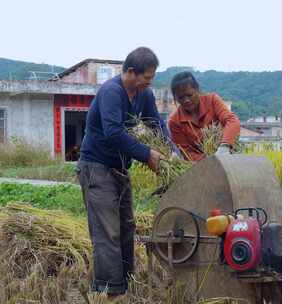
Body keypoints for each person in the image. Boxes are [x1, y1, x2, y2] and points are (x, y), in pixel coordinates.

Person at [77, 47, 170, 297]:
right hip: (96, 167)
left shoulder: (144, 94)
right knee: (108, 231)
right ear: (131, 72)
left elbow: (157, 124)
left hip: (119, 168)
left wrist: (169, 149)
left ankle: (126, 283)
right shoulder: (111, 92)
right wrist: (147, 154)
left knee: (127, 228)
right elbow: (113, 132)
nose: (149, 82)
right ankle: (111, 292)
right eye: (147, 77)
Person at [168, 71, 241, 161]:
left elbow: (232, 121)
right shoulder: (174, 121)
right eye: (181, 98)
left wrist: (225, 146)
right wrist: (208, 160)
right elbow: (186, 152)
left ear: (197, 90)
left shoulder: (212, 101)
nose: (186, 100)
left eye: (190, 95)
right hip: (200, 165)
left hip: (227, 156)